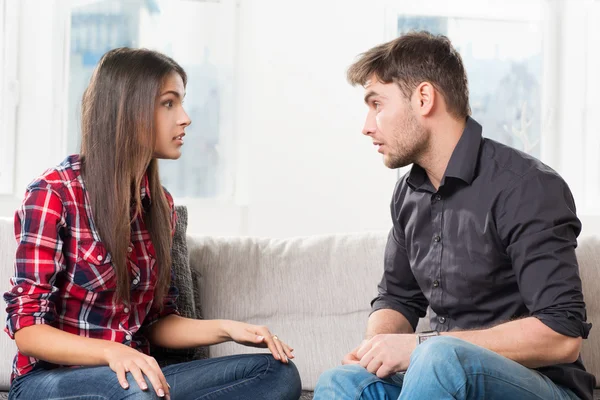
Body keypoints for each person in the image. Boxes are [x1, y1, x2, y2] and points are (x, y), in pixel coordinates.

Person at [4, 47, 301, 400]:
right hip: (51, 381)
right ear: (128, 110)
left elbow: (157, 323)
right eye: (169, 103)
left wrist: (228, 329)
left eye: (181, 102)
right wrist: (112, 352)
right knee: (141, 391)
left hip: (135, 376)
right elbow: (28, 330)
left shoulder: (160, 204)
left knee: (275, 372)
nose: (185, 118)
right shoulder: (54, 194)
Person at [314, 31, 595, 400]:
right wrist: (376, 349)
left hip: (541, 386)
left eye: (377, 104)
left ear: (424, 98)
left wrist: (420, 345)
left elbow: (562, 336)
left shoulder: (525, 186)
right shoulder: (408, 194)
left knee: (438, 357)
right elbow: (398, 298)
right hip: (439, 378)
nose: (367, 125)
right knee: (341, 381)